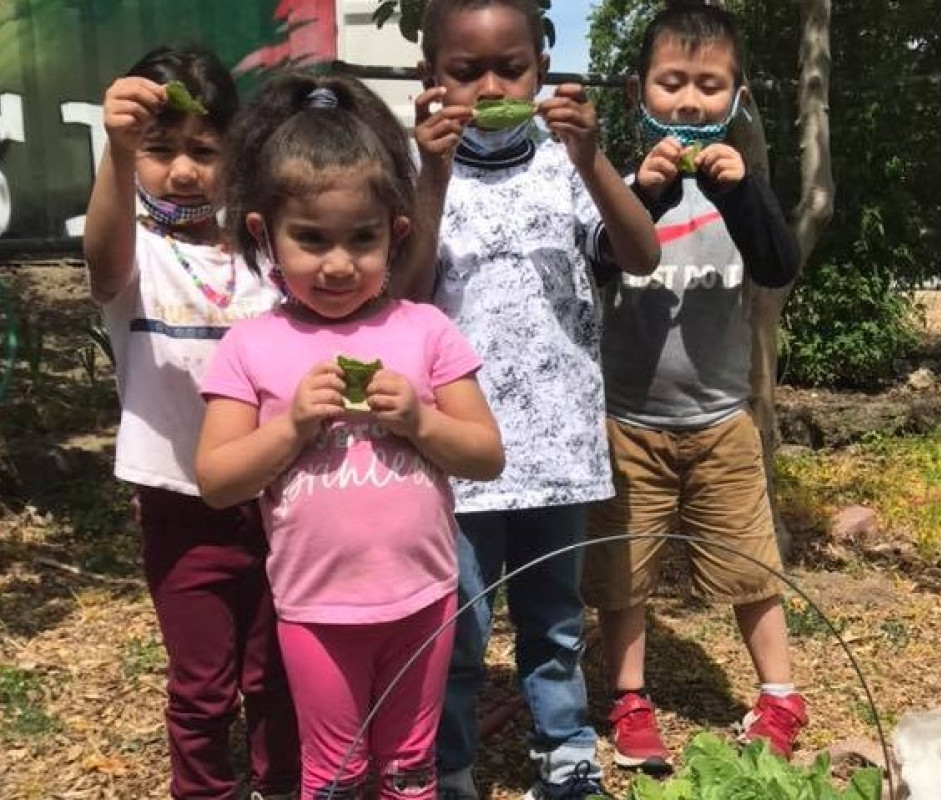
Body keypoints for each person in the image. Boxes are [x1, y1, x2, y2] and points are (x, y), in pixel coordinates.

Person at [195, 69, 505, 800]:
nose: (338, 264)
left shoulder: (425, 330)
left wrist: (421, 420)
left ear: (395, 234)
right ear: (264, 234)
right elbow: (217, 480)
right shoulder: (250, 346)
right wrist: (293, 425)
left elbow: (487, 455)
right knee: (333, 771)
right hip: (316, 609)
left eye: (362, 239)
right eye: (311, 239)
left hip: (425, 598)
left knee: (409, 764)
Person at [398, 2, 661, 798]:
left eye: (510, 69)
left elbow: (641, 254)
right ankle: (451, 767)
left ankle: (567, 756)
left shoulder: (565, 168)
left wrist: (592, 158)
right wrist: (432, 177)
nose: (489, 89)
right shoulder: (417, 179)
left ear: (541, 73)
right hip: (459, 448)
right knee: (459, 626)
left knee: (553, 621)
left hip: (558, 449)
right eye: (464, 72)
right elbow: (402, 298)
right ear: (429, 79)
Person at [580, 1, 806, 774]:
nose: (688, 100)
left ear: (736, 97)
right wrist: (642, 195)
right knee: (624, 572)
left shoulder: (742, 190)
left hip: (721, 420)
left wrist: (742, 194)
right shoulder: (618, 187)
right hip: (628, 423)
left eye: (709, 86)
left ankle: (779, 694)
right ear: (638, 91)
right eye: (671, 81)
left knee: (750, 565)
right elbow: (599, 260)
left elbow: (778, 265)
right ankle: (630, 697)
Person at [83, 45, 300, 800]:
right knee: (202, 683)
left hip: (276, 497)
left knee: (275, 670)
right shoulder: (135, 249)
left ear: (235, 154)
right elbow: (102, 259)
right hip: (179, 504)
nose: (182, 171)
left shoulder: (265, 252)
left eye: (205, 151)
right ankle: (203, 790)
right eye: (160, 149)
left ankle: (282, 783)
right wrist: (116, 153)